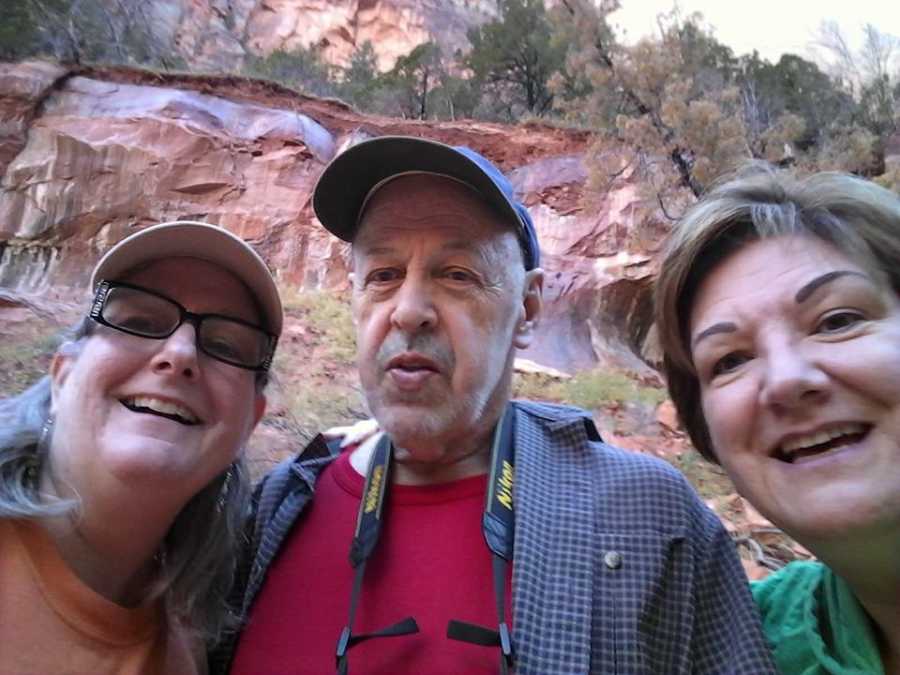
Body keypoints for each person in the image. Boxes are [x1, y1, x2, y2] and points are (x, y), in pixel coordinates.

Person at [214, 136, 776, 675]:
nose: (409, 310)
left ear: (528, 309)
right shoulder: (273, 511)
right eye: (383, 276)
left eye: (457, 275)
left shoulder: (649, 522)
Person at [0, 220, 282, 674]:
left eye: (226, 344)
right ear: (61, 376)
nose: (181, 354)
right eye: (139, 322)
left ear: (248, 423)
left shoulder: (185, 650)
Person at [654, 166, 900, 674]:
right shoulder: (736, 643)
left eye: (838, 321)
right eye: (730, 361)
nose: (786, 379)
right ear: (710, 439)